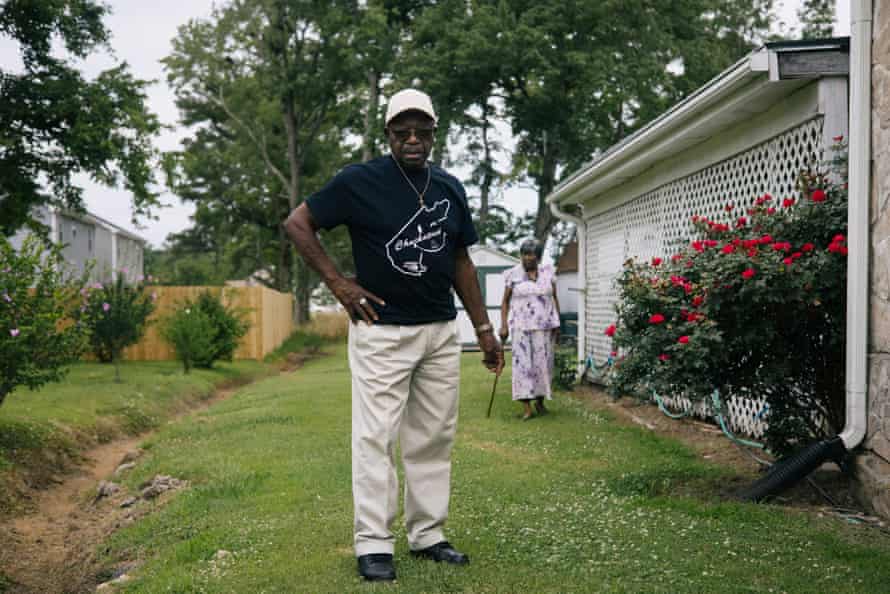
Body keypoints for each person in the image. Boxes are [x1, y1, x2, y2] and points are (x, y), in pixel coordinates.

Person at [283, 88, 503, 582]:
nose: (412, 139)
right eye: (402, 131)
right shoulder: (360, 181)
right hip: (382, 333)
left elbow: (462, 262)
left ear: (432, 134)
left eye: (421, 131)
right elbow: (298, 224)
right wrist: (339, 284)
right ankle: (374, 543)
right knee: (376, 437)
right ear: (387, 134)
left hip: (441, 332)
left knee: (433, 436)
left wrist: (484, 328)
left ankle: (428, 534)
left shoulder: (448, 188)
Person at [499, 239, 561, 420]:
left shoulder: (548, 273)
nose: (527, 258)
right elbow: (504, 302)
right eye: (524, 254)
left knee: (544, 365)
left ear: (538, 257)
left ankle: (540, 403)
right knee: (523, 366)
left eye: (531, 254)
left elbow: (554, 298)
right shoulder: (513, 275)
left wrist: (557, 322)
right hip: (521, 328)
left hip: (545, 328)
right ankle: (527, 408)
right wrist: (503, 325)